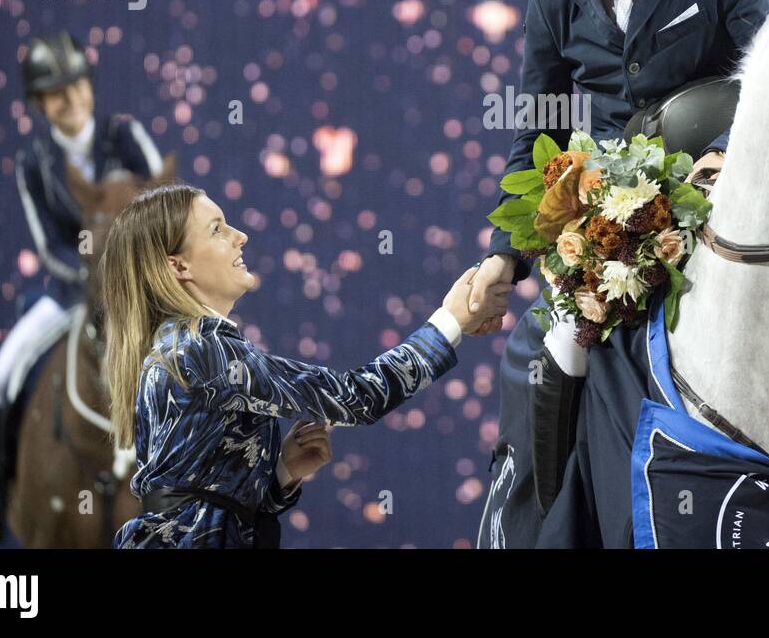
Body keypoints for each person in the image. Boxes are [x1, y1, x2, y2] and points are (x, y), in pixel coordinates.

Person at [466, 0, 769, 548]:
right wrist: (500, 259)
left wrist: (728, 155)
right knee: (532, 359)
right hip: (612, 228)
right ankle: (529, 528)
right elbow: (533, 137)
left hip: (726, 207)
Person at [102, 183, 508, 548]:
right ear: (178, 266)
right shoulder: (203, 347)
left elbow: (199, 495)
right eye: (217, 229)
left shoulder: (177, 345)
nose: (240, 237)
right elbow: (358, 397)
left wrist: (279, 473)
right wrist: (451, 320)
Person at [0, 32, 166, 545]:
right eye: (55, 92)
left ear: (90, 86)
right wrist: (93, 279)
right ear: (39, 104)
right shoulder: (34, 160)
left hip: (141, 291)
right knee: (2, 375)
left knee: (196, 361)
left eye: (76, 86)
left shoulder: (126, 135)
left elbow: (169, 209)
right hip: (72, 293)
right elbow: (48, 245)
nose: (70, 100)